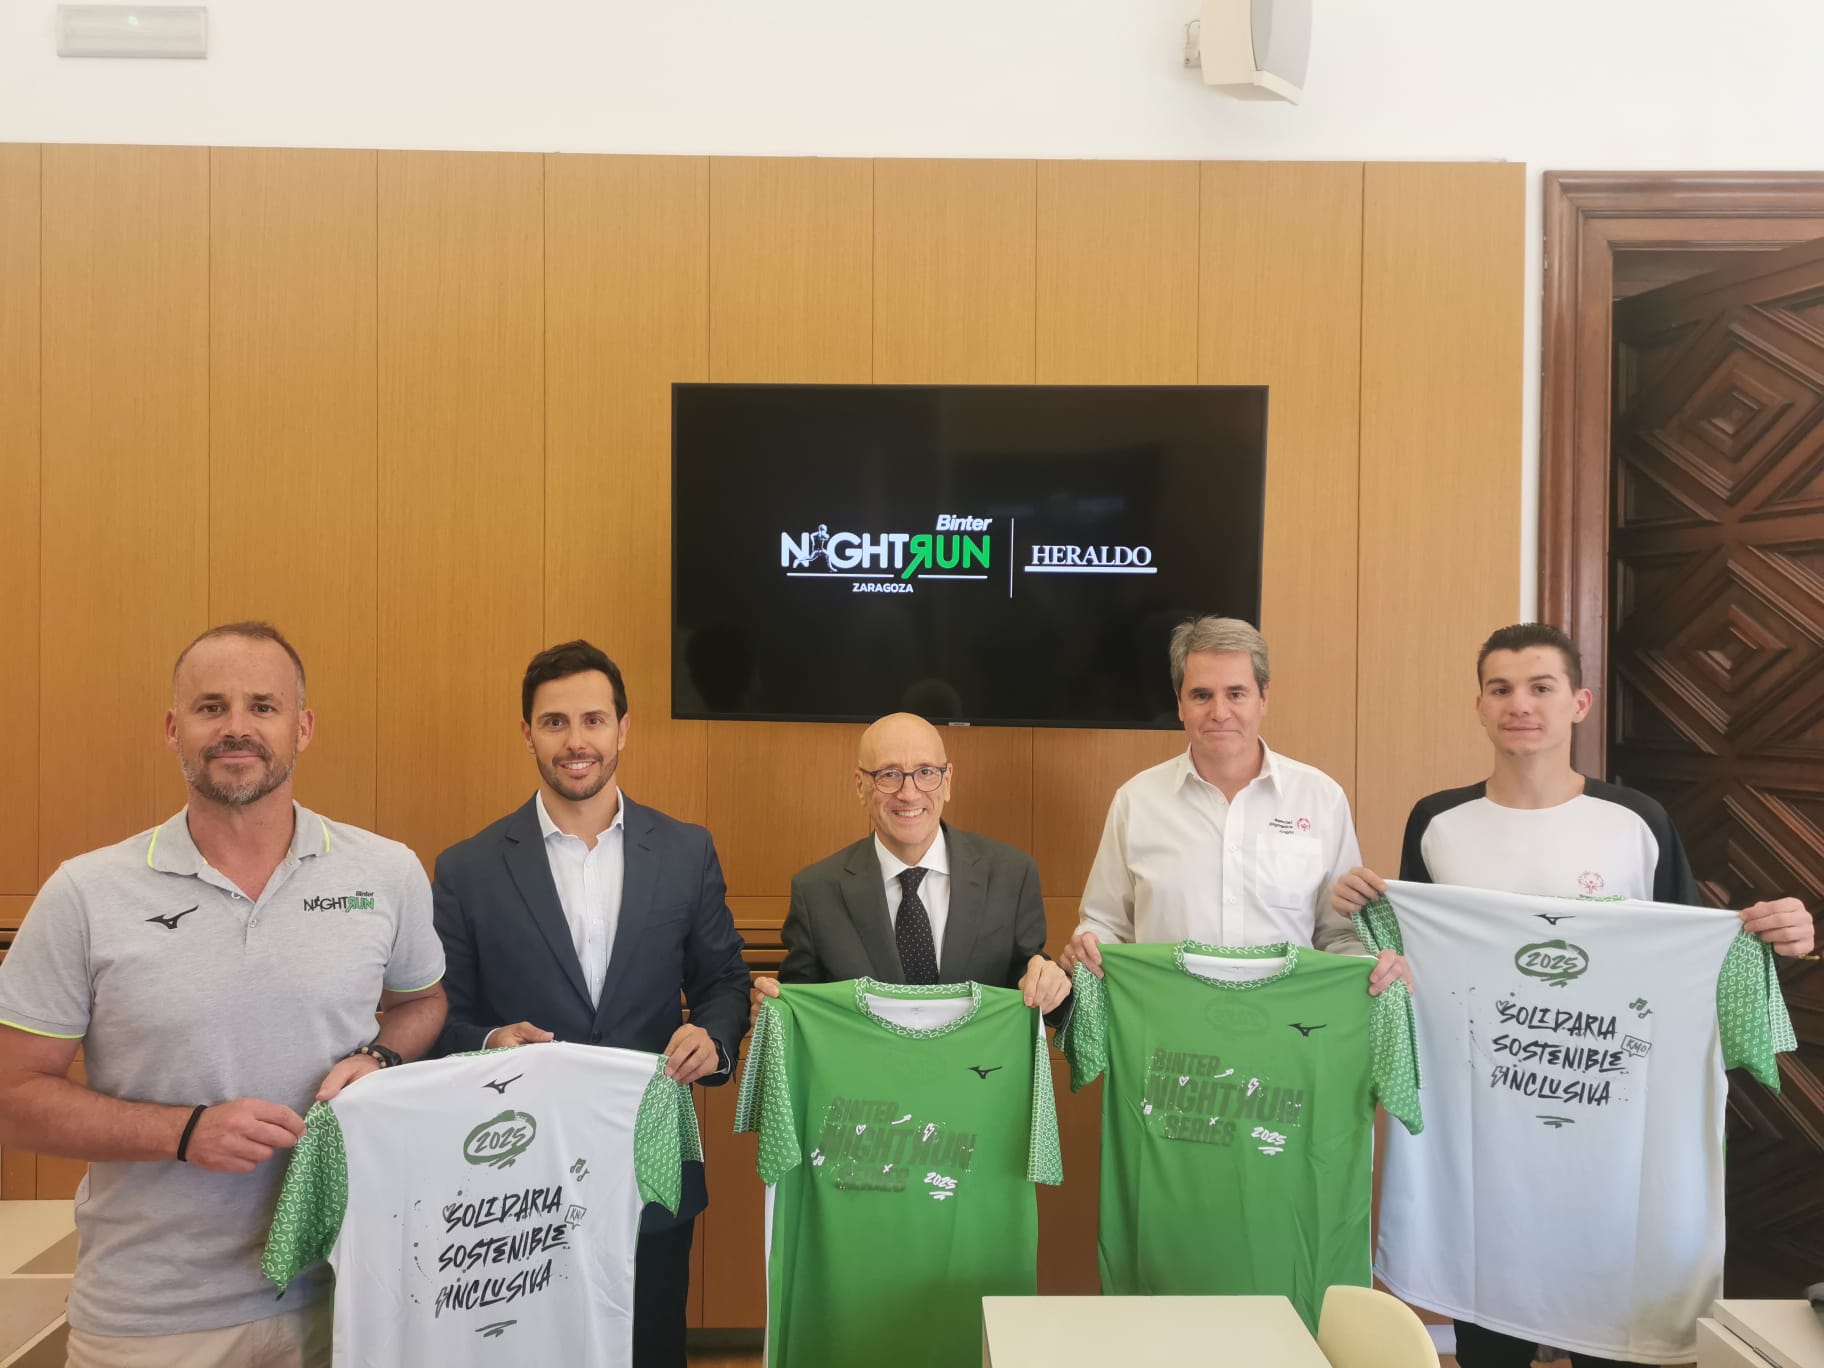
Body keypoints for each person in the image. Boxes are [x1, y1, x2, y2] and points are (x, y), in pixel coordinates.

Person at [1330, 621, 1815, 1368]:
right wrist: (1365, 920)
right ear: (1479, 705)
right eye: (1500, 688)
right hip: (1484, 1134)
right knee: (1488, 1332)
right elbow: (1410, 961)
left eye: (1540, 687)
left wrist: (1775, 938)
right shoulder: (1437, 822)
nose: (1519, 704)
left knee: (1608, 1327)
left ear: (1578, 703)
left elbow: (1692, 961)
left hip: (1608, 1132)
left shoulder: (1637, 821)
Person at [0, 622, 448, 1368]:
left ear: (302, 728)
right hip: (152, 1317)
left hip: (347, 1301)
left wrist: (379, 1056)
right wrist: (184, 1132)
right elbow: (12, 1097)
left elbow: (422, 1003)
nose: (237, 727)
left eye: (263, 706)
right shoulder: (85, 892)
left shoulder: (387, 872)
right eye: (211, 707)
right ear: (173, 729)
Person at [430, 639, 750, 1368]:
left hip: (650, 1163)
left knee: (651, 1347)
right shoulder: (467, 869)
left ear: (623, 729)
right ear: (527, 734)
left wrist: (712, 1037)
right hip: (517, 1172)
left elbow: (724, 981)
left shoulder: (686, 851)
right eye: (555, 722)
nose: (576, 741)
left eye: (593, 720)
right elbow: (442, 1017)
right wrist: (489, 1043)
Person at [1060, 616, 1407, 995]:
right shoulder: (1136, 801)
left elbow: (1338, 937)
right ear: (1179, 704)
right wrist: (1088, 942)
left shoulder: (1321, 798)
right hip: (1167, 1017)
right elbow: (1105, 924)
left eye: (1236, 694)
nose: (1220, 712)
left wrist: (1374, 965)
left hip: (1287, 1019)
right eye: (1201, 695)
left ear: (1264, 698)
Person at [749, 712, 1069, 1017]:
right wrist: (773, 1010)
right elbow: (799, 1007)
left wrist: (1049, 985)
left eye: (926, 772)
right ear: (861, 786)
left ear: (947, 781)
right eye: (889, 775)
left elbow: (1031, 987)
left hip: (981, 1058)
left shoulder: (1012, 875)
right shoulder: (815, 892)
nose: (909, 793)